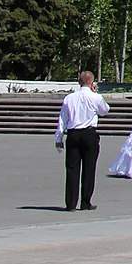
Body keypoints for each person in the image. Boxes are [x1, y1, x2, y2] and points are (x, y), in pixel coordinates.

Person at [54, 71, 110, 211]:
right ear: (92, 82)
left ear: (79, 82)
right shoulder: (95, 97)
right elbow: (105, 110)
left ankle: (71, 203)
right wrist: (96, 93)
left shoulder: (69, 98)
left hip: (73, 134)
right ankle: (86, 201)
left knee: (72, 168)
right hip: (89, 134)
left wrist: (59, 137)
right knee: (89, 168)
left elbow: (63, 118)